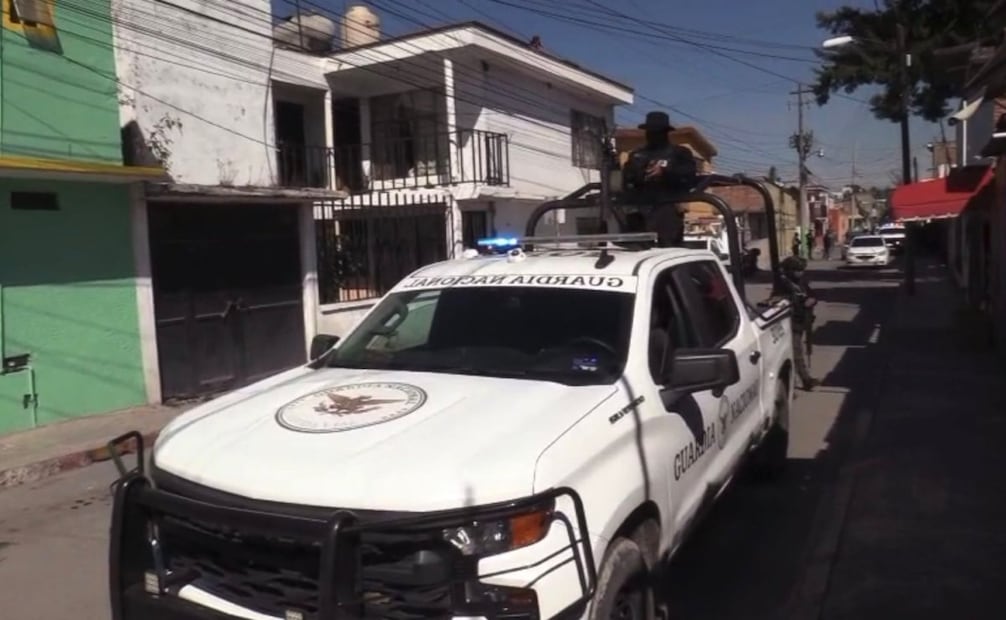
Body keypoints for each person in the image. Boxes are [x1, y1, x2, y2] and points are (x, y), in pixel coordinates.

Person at [622, 111, 698, 247]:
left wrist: (665, 172)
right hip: (640, 210)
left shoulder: (679, 153)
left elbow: (689, 176)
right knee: (637, 250)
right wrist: (640, 173)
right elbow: (626, 179)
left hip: (668, 209)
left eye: (656, 132)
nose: (652, 135)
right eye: (650, 132)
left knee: (668, 249)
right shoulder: (637, 155)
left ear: (665, 133)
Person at [779, 255, 819, 390]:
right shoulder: (783, 284)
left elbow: (812, 294)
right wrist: (799, 303)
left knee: (797, 351)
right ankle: (805, 379)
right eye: (797, 270)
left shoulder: (801, 282)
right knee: (796, 352)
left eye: (802, 270)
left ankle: (799, 379)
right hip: (791, 322)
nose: (800, 273)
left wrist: (812, 300)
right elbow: (780, 302)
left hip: (802, 321)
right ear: (790, 270)